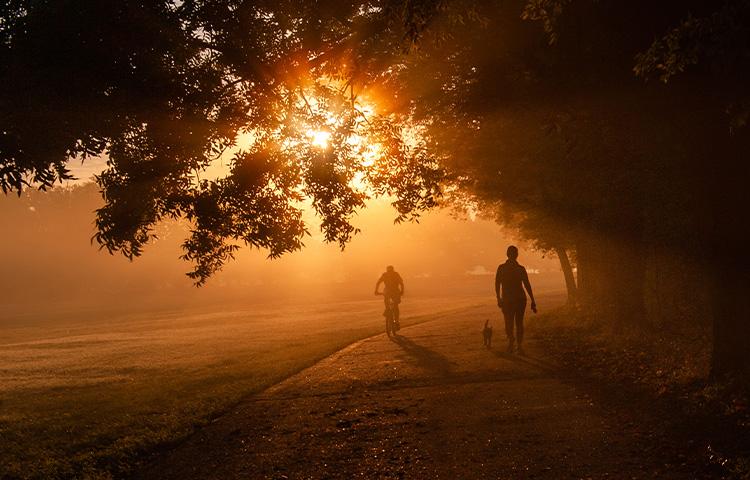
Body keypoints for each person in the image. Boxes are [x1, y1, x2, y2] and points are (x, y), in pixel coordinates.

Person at [495, 246, 536, 355]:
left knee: (509, 322)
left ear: (507, 254)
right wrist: (532, 299)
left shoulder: (502, 268)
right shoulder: (520, 269)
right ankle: (519, 345)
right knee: (519, 323)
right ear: (517, 255)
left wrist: (498, 298)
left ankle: (511, 342)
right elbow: (527, 284)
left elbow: (497, 283)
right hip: (520, 299)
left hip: (508, 299)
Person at [375, 265, 404, 330]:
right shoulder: (394, 274)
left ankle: (391, 314)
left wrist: (376, 290)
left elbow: (378, 282)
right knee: (393, 304)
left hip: (392, 291)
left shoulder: (387, 274)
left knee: (393, 304)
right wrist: (402, 291)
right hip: (393, 290)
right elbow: (401, 283)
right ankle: (395, 319)